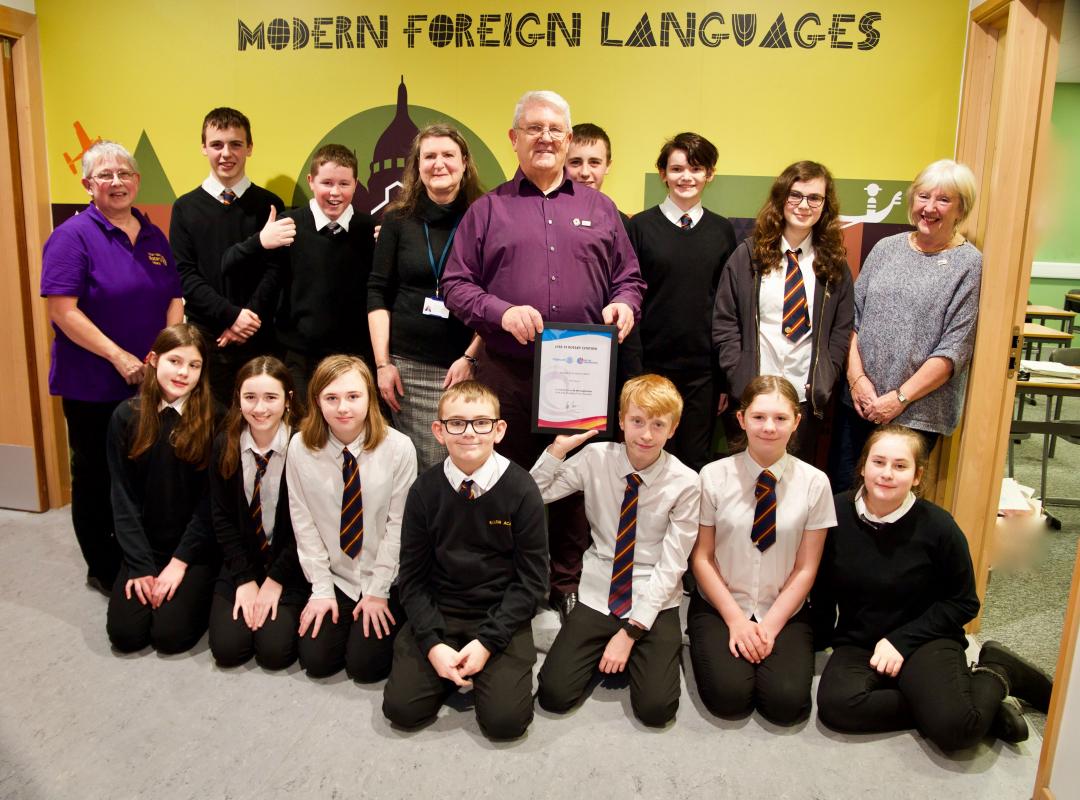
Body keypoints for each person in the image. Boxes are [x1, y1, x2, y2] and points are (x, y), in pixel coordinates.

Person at [442, 90, 645, 619]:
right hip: (507, 374)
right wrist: (499, 311)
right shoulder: (488, 210)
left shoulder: (601, 209)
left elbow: (629, 278)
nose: (546, 137)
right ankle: (508, 579)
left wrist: (624, 304)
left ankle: (564, 581)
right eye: (533, 128)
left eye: (556, 128)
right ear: (514, 139)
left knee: (573, 484)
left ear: (569, 138)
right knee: (505, 479)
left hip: (579, 370)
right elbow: (455, 284)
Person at [815, 426, 1054, 748]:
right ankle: (968, 707)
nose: (887, 474)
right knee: (837, 708)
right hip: (860, 641)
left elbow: (964, 602)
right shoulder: (835, 513)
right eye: (879, 462)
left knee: (956, 730)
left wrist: (901, 641)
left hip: (925, 639)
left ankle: (998, 670)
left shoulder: (939, 526)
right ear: (862, 467)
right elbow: (822, 584)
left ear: (917, 476)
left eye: (900, 466)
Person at [41, 140, 184, 597]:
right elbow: (63, 310)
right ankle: (103, 566)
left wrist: (167, 353)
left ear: (138, 181)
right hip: (93, 384)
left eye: (125, 173)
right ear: (87, 185)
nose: (117, 182)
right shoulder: (71, 236)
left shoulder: (152, 234)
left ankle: (139, 553)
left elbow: (174, 298)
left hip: (148, 382)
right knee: (98, 476)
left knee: (142, 471)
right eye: (106, 175)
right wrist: (119, 355)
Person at [530, 375, 699, 726]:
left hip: (654, 592)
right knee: (553, 695)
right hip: (598, 587)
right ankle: (605, 645)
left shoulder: (686, 482)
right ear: (621, 420)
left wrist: (631, 633)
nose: (646, 435)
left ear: (673, 428)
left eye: (658, 425)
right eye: (637, 421)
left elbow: (672, 565)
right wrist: (557, 451)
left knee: (655, 710)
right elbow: (531, 497)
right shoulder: (595, 458)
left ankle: (643, 649)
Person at [383, 381, 548, 739]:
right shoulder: (424, 491)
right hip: (440, 610)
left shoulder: (522, 490)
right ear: (439, 431)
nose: (469, 432)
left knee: (505, 723)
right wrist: (432, 644)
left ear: (499, 430)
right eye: (456, 423)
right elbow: (412, 578)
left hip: (500, 611)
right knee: (402, 710)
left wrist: (489, 642)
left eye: (481, 423)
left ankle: (477, 665)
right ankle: (450, 665)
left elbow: (533, 582)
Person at [688, 375, 834, 724]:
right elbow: (702, 558)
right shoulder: (713, 476)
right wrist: (736, 622)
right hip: (722, 603)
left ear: (797, 422)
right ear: (741, 419)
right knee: (729, 699)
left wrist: (769, 627)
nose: (769, 427)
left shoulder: (816, 483)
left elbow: (806, 569)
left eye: (781, 418)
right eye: (758, 417)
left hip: (782, 608)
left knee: (785, 705)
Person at [830, 159, 981, 491]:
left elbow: (955, 348)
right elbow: (851, 320)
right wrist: (857, 383)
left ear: (961, 209)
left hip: (917, 414)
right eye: (923, 196)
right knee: (843, 494)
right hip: (858, 404)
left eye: (943, 200)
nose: (929, 208)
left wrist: (898, 399)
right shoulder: (886, 248)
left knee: (889, 502)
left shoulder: (969, 264)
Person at [713, 160, 853, 465]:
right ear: (781, 199)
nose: (804, 205)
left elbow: (841, 331)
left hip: (804, 399)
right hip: (753, 396)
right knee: (746, 485)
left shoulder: (833, 263)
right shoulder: (748, 255)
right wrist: (740, 376)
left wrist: (824, 378)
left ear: (824, 205)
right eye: (795, 195)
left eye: (814, 197)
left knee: (794, 489)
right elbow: (725, 322)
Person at [287, 355, 417, 681]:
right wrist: (320, 588)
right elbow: (303, 522)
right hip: (338, 575)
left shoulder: (399, 448)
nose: (343, 407)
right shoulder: (301, 448)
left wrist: (378, 591)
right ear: (317, 401)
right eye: (331, 398)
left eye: (353, 396)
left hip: (383, 574)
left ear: (369, 397)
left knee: (366, 666)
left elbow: (398, 526)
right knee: (317, 661)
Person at [367, 124, 484, 471]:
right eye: (429, 156)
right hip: (406, 369)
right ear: (417, 166)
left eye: (448, 155)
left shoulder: (483, 218)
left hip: (464, 368)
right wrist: (383, 364)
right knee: (418, 470)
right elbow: (377, 291)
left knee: (463, 466)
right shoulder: (397, 220)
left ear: (464, 162)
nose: (438, 163)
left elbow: (495, 295)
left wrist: (471, 359)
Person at [105, 324, 219, 653]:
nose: (183, 372)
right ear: (153, 360)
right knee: (126, 634)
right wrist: (140, 566)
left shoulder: (216, 420)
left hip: (193, 549)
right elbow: (122, 497)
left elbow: (210, 504)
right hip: (145, 545)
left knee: (170, 636)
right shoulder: (126, 416)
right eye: (175, 361)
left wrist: (179, 563)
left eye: (194, 365)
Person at [229, 145, 376, 398]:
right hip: (298, 358)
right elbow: (259, 278)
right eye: (326, 182)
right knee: (300, 432)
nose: (334, 192)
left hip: (354, 359)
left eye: (344, 184)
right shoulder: (289, 225)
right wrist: (240, 319)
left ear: (355, 184)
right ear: (311, 181)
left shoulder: (372, 230)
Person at [626, 133, 736, 472]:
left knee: (693, 463)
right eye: (676, 169)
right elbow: (629, 300)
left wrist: (721, 379)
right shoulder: (639, 227)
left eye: (696, 168)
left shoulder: (723, 231)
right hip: (650, 369)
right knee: (645, 460)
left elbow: (727, 310)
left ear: (709, 175)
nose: (686, 177)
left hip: (701, 375)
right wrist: (633, 374)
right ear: (663, 174)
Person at [171, 107, 285, 404]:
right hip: (206, 340)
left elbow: (276, 271)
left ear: (249, 147)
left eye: (235, 144)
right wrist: (230, 316)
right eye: (217, 144)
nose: (226, 153)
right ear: (203, 147)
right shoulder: (184, 208)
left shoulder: (269, 204)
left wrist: (247, 320)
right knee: (209, 434)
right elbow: (185, 275)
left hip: (259, 338)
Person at [208, 356, 309, 670]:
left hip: (291, 566)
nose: (260, 408)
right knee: (228, 649)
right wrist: (244, 578)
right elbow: (221, 517)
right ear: (238, 399)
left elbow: (310, 527)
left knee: (274, 653)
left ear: (288, 399)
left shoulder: (304, 446)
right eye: (250, 397)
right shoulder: (225, 443)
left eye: (270, 397)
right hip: (244, 562)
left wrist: (275, 580)